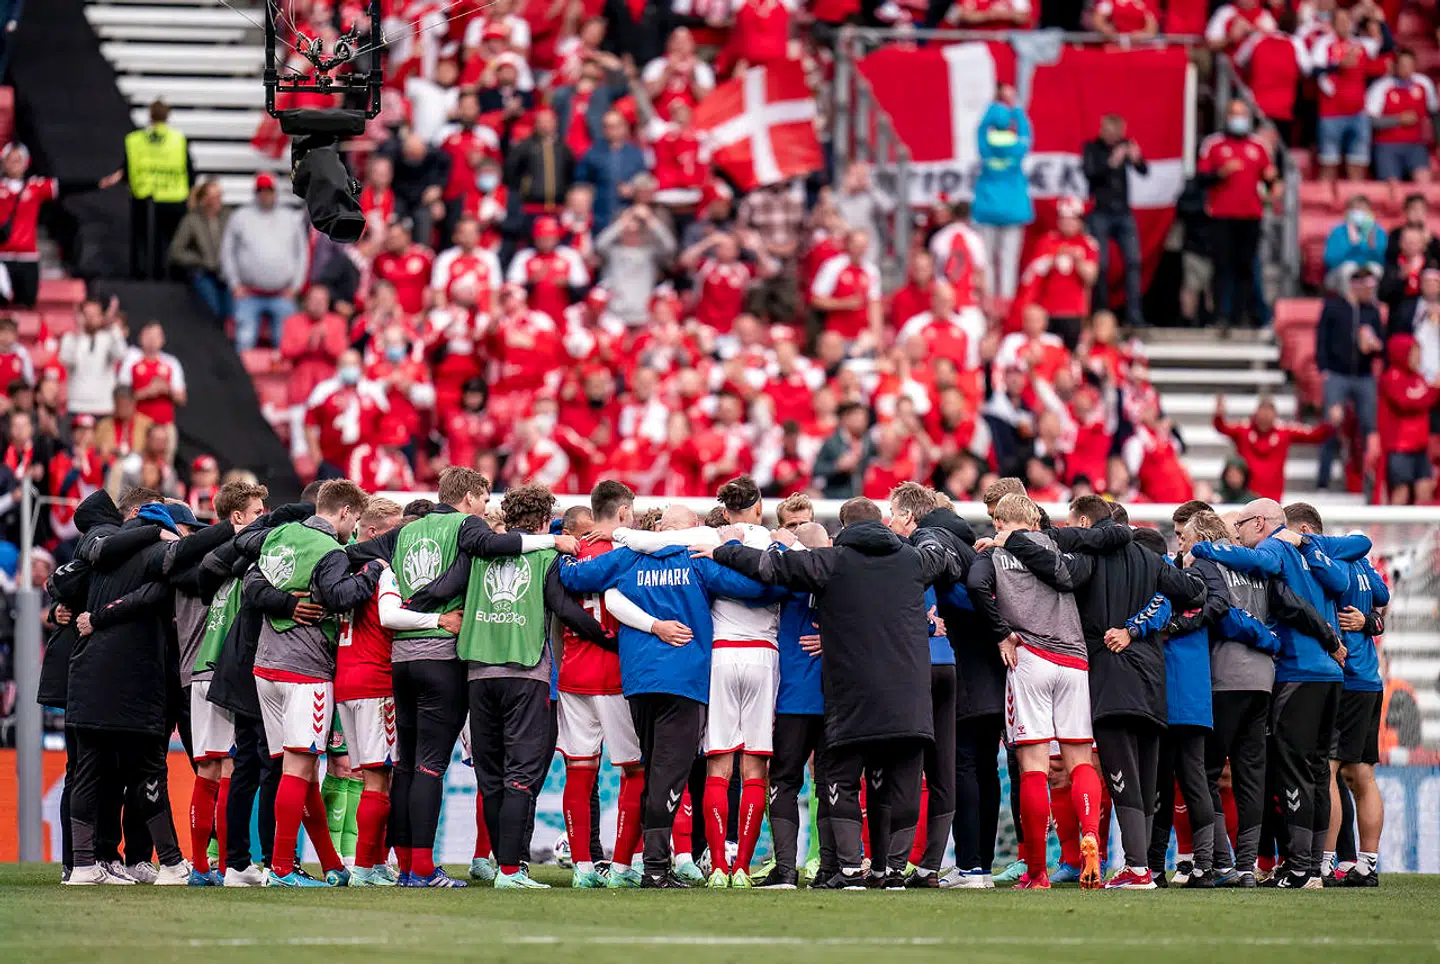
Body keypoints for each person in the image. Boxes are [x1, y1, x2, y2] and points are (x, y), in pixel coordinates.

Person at [700, 497, 963, 890]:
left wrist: (726, 548)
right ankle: (886, 870)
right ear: (882, 522)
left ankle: (831, 869)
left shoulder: (831, 563)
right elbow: (945, 561)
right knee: (899, 780)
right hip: (903, 693)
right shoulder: (910, 561)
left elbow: (770, 568)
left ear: (843, 528)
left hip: (836, 694)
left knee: (825, 778)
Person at [559, 503, 773, 888]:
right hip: (684, 680)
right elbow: (755, 588)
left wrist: (559, 549)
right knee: (668, 775)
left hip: (638, 680)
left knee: (652, 768)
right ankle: (656, 867)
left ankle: (652, 862)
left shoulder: (627, 557)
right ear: (692, 528)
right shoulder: (696, 559)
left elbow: (576, 577)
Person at [1002, 494, 1205, 889]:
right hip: (1152, 681)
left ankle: (1137, 869)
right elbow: (1194, 593)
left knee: (1121, 780)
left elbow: (1057, 573)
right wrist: (1145, 621)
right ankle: (1145, 867)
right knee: (1146, 779)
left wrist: (1012, 541)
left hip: (1110, 681)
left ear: (1085, 524)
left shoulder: (1090, 561)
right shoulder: (1151, 560)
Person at [385, 467, 575, 887]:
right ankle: (432, 868)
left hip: (403, 656)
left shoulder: (406, 533)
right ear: (470, 497)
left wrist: (416, 605)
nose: (486, 508)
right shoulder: (468, 530)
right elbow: (489, 549)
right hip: (449, 658)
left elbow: (379, 563)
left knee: (407, 765)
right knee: (434, 765)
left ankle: (404, 866)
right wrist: (435, 616)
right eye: (484, 499)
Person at [453, 484, 610, 889]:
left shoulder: (479, 554)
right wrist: (606, 636)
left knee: (490, 777)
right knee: (521, 775)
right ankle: (511, 869)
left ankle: (504, 865)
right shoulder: (545, 556)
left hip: (478, 672)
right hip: (525, 673)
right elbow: (564, 608)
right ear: (544, 521)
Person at [1189, 499, 1347, 888]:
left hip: (1273, 674)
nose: (1238, 533)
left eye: (1240, 525)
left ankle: (1241, 865)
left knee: (1227, 771)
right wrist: (1332, 638)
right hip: (1300, 676)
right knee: (1300, 772)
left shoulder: (1257, 558)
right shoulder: (1291, 559)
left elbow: (1257, 610)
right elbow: (1329, 582)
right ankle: (1304, 866)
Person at [249, 480, 382, 887]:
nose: (353, 529)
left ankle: (330, 864)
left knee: (302, 772)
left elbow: (251, 582)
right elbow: (339, 596)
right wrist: (373, 570)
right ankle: (281, 868)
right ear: (345, 512)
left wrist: (286, 601)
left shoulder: (280, 535)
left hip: (266, 666)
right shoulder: (331, 551)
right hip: (305, 670)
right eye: (355, 521)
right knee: (299, 768)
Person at [968, 493, 1105, 890]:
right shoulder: (1060, 547)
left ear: (999, 523)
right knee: (1080, 760)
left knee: (1034, 768)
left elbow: (976, 585)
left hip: (1029, 657)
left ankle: (1037, 871)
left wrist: (1001, 633)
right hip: (1074, 660)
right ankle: (1091, 835)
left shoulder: (995, 553)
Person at [65, 496, 200, 885]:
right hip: (136, 683)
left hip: (89, 677)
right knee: (147, 771)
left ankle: (84, 865)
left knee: (89, 772)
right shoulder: (156, 555)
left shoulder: (101, 554)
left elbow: (60, 582)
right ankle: (170, 863)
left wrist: (83, 612)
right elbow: (152, 596)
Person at [549, 481, 651, 888]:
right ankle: (622, 867)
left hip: (573, 674)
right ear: (623, 512)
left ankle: (583, 867)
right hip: (616, 675)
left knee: (579, 771)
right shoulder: (629, 552)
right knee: (635, 772)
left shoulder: (568, 554)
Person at [1291, 518, 1387, 887]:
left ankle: (1324, 863)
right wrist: (1370, 622)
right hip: (1370, 680)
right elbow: (1382, 597)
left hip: (1347, 678)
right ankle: (1367, 864)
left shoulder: (1328, 562)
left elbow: (1347, 592)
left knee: (1327, 769)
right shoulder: (1361, 562)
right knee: (1361, 774)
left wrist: (1367, 622)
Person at [333, 497, 416, 886]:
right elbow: (390, 617)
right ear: (374, 532)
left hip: (346, 681)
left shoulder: (344, 570)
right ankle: (366, 867)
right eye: (394, 532)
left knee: (369, 776)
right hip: (376, 680)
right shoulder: (382, 571)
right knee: (379, 779)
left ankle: (375, 864)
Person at [758, 520, 829, 889]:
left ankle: (785, 869)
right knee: (833, 784)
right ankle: (831, 868)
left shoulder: (786, 577)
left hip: (793, 699)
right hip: (835, 700)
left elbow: (759, 577)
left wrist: (778, 546)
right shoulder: (842, 580)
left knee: (784, 781)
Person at [1198, 100, 1277, 328]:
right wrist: (1220, 173)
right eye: (1234, 114)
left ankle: (1241, 316)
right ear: (1227, 117)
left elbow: (1269, 182)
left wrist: (1271, 181)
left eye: (1242, 114)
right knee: (1223, 267)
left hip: (1251, 216)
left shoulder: (1259, 146)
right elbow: (1201, 179)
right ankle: (1221, 316)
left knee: (1246, 268)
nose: (1239, 119)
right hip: (1222, 216)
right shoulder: (1213, 144)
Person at [221, 173, 310, 351]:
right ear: (255, 193)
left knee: (285, 344)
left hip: (282, 294)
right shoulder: (241, 216)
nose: (265, 195)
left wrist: (296, 286)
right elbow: (227, 251)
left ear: (275, 192)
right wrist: (234, 284)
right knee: (244, 341)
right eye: (261, 191)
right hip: (249, 293)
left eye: (269, 191)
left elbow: (302, 253)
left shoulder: (290, 217)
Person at [1315, 265, 1383, 491]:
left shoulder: (1372, 311)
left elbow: (1381, 343)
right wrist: (1324, 368)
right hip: (1337, 373)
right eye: (1367, 287)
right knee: (1331, 424)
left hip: (1363, 375)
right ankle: (1323, 480)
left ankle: (1368, 480)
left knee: (1368, 425)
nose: (1370, 292)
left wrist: (1376, 345)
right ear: (1355, 286)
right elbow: (1322, 338)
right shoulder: (1334, 307)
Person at [1082, 114, 1149, 327]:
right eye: (1112, 133)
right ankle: (1101, 314)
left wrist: (1137, 158)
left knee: (1133, 262)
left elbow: (1144, 171)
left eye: (1118, 133)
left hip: (1123, 213)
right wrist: (1112, 162)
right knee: (1101, 265)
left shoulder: (1124, 146)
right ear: (1103, 130)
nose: (1115, 137)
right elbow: (1090, 173)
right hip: (1100, 213)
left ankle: (1134, 315)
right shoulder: (1091, 148)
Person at [972, 83, 1033, 299]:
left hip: (987, 208)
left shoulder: (986, 146)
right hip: (1013, 209)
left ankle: (988, 301)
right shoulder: (1017, 146)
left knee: (986, 260)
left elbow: (980, 129)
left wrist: (994, 105)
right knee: (1009, 261)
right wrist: (1015, 107)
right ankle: (1007, 302)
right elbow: (1026, 133)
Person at [122, 100, 193, 280]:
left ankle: (143, 278)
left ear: (150, 115)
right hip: (174, 198)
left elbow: (128, 169)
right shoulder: (178, 139)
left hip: (144, 197)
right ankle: (173, 279)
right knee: (172, 243)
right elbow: (190, 171)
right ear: (167, 116)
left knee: (145, 243)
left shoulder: (135, 140)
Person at [1213, 394, 1330, 502]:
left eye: (1268, 413)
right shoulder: (1243, 430)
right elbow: (1222, 428)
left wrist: (1330, 422)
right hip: (1247, 496)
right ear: (1256, 414)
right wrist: (1219, 415)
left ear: (1275, 416)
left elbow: (1314, 435)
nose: (1265, 417)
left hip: (1274, 497)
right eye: (1262, 413)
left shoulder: (1284, 431)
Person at [1377, 334, 1440, 504]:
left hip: (1420, 446)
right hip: (1400, 447)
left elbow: (1428, 399)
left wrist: (1434, 390)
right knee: (1401, 492)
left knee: (1425, 491)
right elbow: (1405, 403)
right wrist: (1433, 391)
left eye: (1419, 354)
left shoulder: (1419, 378)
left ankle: (1420, 523)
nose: (1418, 358)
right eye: (1414, 353)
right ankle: (1392, 523)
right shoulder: (1391, 377)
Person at [1367, 48, 1439, 185]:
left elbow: (1435, 114)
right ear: (1395, 66)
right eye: (1402, 65)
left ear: (1415, 66)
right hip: (1387, 145)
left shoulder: (1424, 83)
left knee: (1424, 181)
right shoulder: (1381, 86)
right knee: (1392, 186)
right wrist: (1398, 120)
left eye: (1409, 65)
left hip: (1416, 145)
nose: (1406, 69)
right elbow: (1370, 121)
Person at [168, 180, 233, 320]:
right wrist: (198, 260)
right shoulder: (192, 220)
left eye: (219, 196)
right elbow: (176, 251)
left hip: (226, 273)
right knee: (213, 310)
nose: (218, 201)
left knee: (231, 311)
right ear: (204, 200)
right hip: (203, 272)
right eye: (214, 197)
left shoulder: (228, 216)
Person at [117, 322, 186, 447]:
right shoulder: (131, 360)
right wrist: (147, 392)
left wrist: (167, 389)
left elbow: (182, 399)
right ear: (140, 338)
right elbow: (121, 396)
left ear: (162, 340)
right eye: (148, 335)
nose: (152, 340)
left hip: (164, 425)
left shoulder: (171, 363)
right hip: (138, 425)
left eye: (156, 336)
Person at [1324, 195, 1387, 291]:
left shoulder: (1377, 231)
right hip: (1338, 273)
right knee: (1348, 268)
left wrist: (1368, 244)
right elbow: (1330, 260)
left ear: (1369, 212)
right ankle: (1349, 300)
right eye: (1356, 209)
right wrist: (1353, 247)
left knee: (1376, 270)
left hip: (1367, 270)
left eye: (1363, 209)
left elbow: (1382, 259)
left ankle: (1371, 300)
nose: (1359, 212)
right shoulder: (1338, 231)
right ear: (1348, 212)